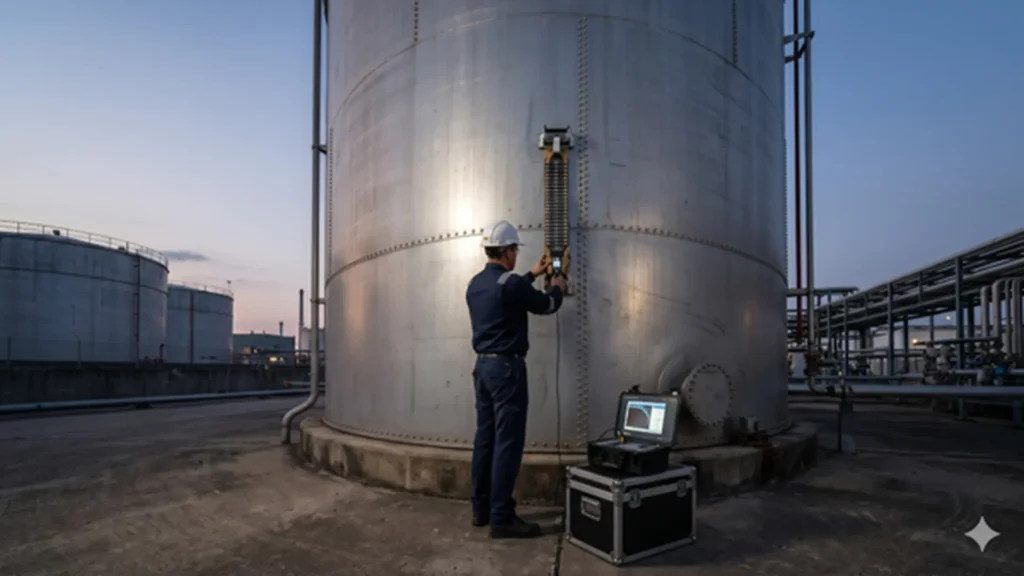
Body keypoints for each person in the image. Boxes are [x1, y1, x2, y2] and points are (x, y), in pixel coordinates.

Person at [465, 220, 567, 539]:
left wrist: (533, 274)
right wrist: (557, 286)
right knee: (508, 443)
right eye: (515, 251)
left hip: (482, 369)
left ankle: (480, 509)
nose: (516, 258)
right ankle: (503, 517)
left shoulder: (475, 284)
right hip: (507, 371)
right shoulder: (510, 284)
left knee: (485, 439)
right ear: (508, 251)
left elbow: (507, 291)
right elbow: (545, 305)